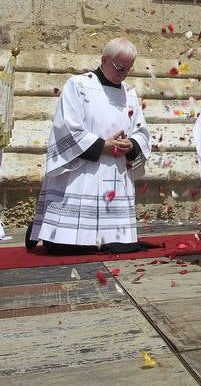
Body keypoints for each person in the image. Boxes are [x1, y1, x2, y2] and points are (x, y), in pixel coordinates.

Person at [27, 38, 151, 254]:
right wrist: (103, 144)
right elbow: (67, 128)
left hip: (115, 172)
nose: (124, 75)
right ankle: (49, 228)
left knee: (120, 247)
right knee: (68, 247)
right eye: (120, 68)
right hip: (83, 170)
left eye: (129, 69)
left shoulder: (129, 93)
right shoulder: (79, 85)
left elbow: (141, 131)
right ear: (104, 59)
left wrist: (130, 144)